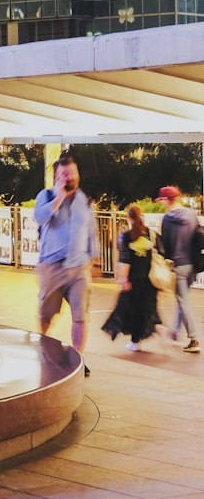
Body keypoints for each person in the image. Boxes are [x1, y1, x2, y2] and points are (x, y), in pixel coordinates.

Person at [34, 153, 99, 375]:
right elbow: (40, 218)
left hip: (79, 266)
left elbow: (91, 232)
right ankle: (43, 351)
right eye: (64, 174)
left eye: (72, 172)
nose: (69, 177)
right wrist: (58, 198)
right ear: (56, 177)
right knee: (46, 314)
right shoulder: (46, 196)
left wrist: (94, 258)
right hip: (52, 266)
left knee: (81, 316)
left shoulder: (85, 201)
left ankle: (77, 360)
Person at [102, 204, 159, 349]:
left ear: (128, 218)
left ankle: (127, 338)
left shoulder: (126, 237)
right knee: (143, 311)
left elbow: (125, 260)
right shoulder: (151, 235)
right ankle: (137, 341)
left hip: (133, 281)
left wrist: (123, 279)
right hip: (148, 280)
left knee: (126, 310)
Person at [157, 185, 201, 353]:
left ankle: (194, 338)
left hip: (178, 265)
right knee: (182, 300)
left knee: (183, 302)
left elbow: (165, 245)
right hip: (193, 264)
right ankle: (174, 332)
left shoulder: (167, 219)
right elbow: (198, 236)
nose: (161, 203)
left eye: (161, 200)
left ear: (168, 200)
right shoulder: (191, 214)